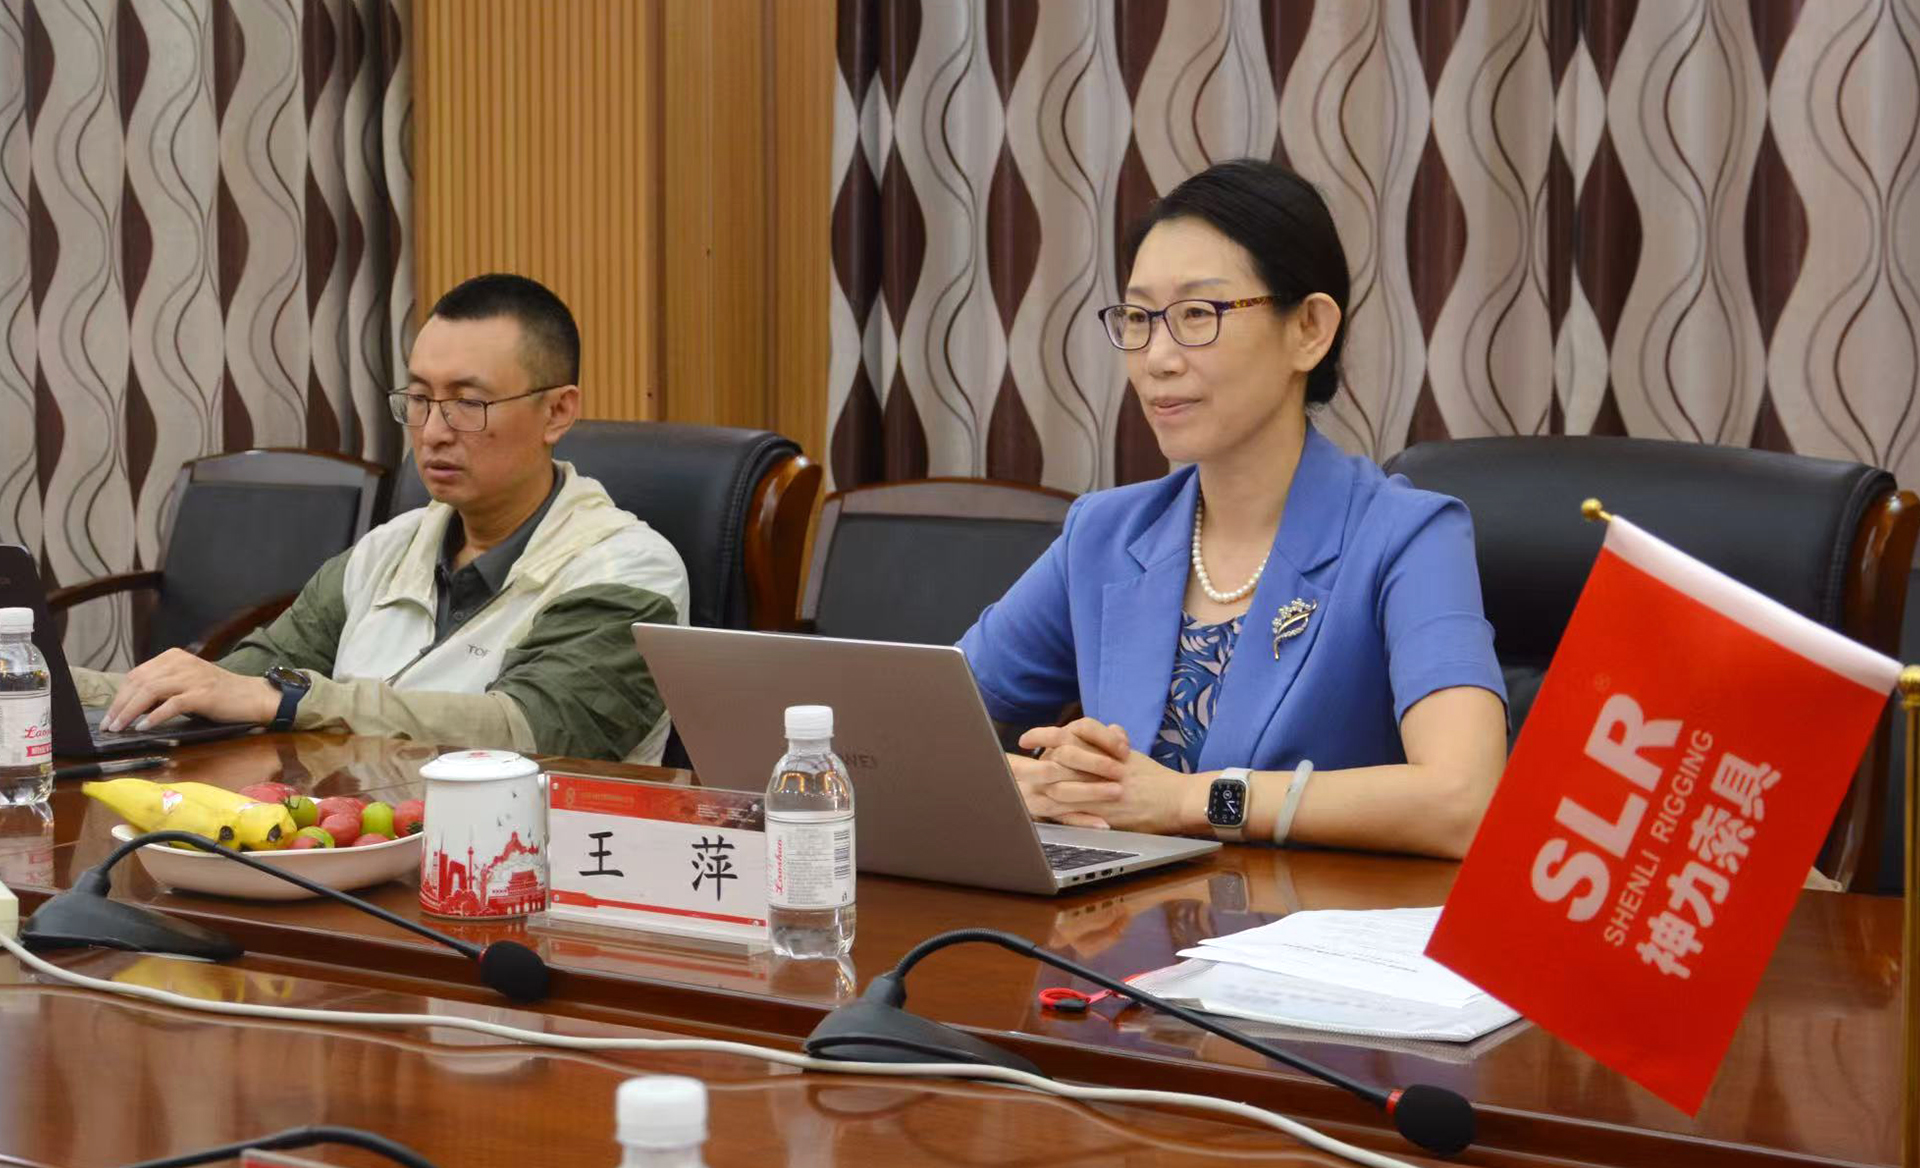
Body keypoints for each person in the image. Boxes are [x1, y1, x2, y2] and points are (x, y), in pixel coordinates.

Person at [958, 160, 1508, 859]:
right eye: (1139, 318)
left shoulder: (1409, 537)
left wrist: (1187, 800)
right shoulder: (1105, 534)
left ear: (1309, 329)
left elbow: (1465, 800)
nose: (1157, 358)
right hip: (1122, 922)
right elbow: (910, 726)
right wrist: (1028, 786)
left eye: (1197, 315)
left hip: (1310, 921)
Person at [75, 274, 690, 764]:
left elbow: (533, 731)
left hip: (533, 866)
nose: (434, 432)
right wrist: (52, 683)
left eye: (468, 403)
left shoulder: (629, 571)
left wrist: (292, 700)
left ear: (557, 411)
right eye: (419, 399)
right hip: (355, 846)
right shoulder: (388, 549)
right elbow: (230, 685)